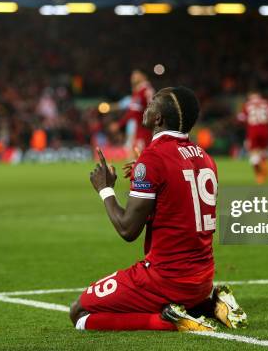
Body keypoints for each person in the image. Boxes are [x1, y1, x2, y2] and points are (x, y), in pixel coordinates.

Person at [70, 86, 247, 331]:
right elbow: (175, 204)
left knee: (79, 312)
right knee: (171, 296)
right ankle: (211, 305)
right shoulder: (205, 158)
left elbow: (128, 230)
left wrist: (105, 189)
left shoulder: (153, 158)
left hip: (165, 278)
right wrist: (145, 176)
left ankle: (168, 322)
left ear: (158, 118)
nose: (147, 105)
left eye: (153, 102)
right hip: (202, 279)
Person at [112, 70, 154, 155]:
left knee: (139, 154)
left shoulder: (142, 91)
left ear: (143, 76)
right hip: (143, 128)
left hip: (144, 129)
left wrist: (119, 124)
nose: (132, 78)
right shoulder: (145, 90)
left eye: (135, 75)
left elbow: (134, 112)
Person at [237, 90, 268, 184]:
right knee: (264, 152)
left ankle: (259, 175)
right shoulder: (265, 103)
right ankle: (265, 171)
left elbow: (241, 118)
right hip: (265, 130)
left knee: (253, 154)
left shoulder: (247, 105)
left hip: (253, 131)